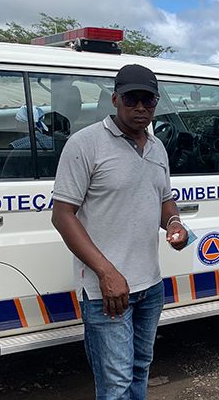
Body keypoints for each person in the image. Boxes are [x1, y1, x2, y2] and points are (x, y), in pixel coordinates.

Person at [51, 64, 188, 399]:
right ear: (115, 99)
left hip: (150, 286)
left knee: (140, 368)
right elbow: (62, 215)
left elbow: (164, 201)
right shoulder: (85, 144)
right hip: (106, 291)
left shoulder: (157, 148)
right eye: (131, 99)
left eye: (148, 100)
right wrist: (107, 272)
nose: (140, 107)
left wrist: (174, 224)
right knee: (115, 384)